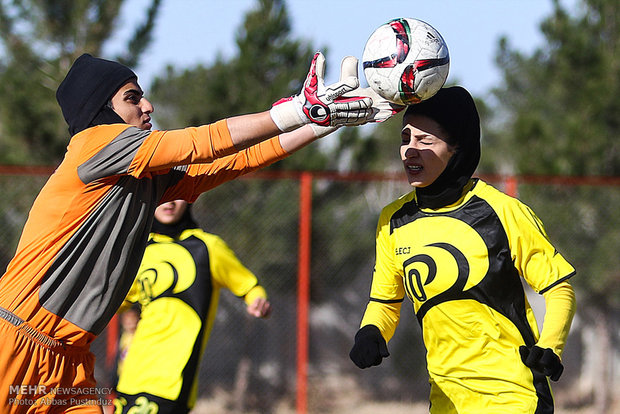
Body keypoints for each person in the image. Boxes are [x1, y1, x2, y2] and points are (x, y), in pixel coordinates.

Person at [0, 51, 399, 413]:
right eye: (132, 97)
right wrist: (298, 109)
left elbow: (235, 160)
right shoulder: (94, 142)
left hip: (69, 360)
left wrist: (320, 123)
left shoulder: (142, 174)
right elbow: (201, 142)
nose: (147, 105)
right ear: (101, 111)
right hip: (14, 342)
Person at [349, 86, 577, 413]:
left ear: (457, 148)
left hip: (514, 398)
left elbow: (559, 289)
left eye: (425, 141)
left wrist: (549, 347)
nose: (409, 151)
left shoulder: (501, 212)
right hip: (447, 402)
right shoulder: (393, 220)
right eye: (405, 138)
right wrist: (370, 332)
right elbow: (384, 303)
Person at [113, 200, 272, 413]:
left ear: (189, 198)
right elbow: (115, 303)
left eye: (178, 194)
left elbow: (249, 286)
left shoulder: (207, 247)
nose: (169, 201)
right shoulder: (141, 251)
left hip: (170, 383)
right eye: (164, 193)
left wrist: (257, 300)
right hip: (130, 376)